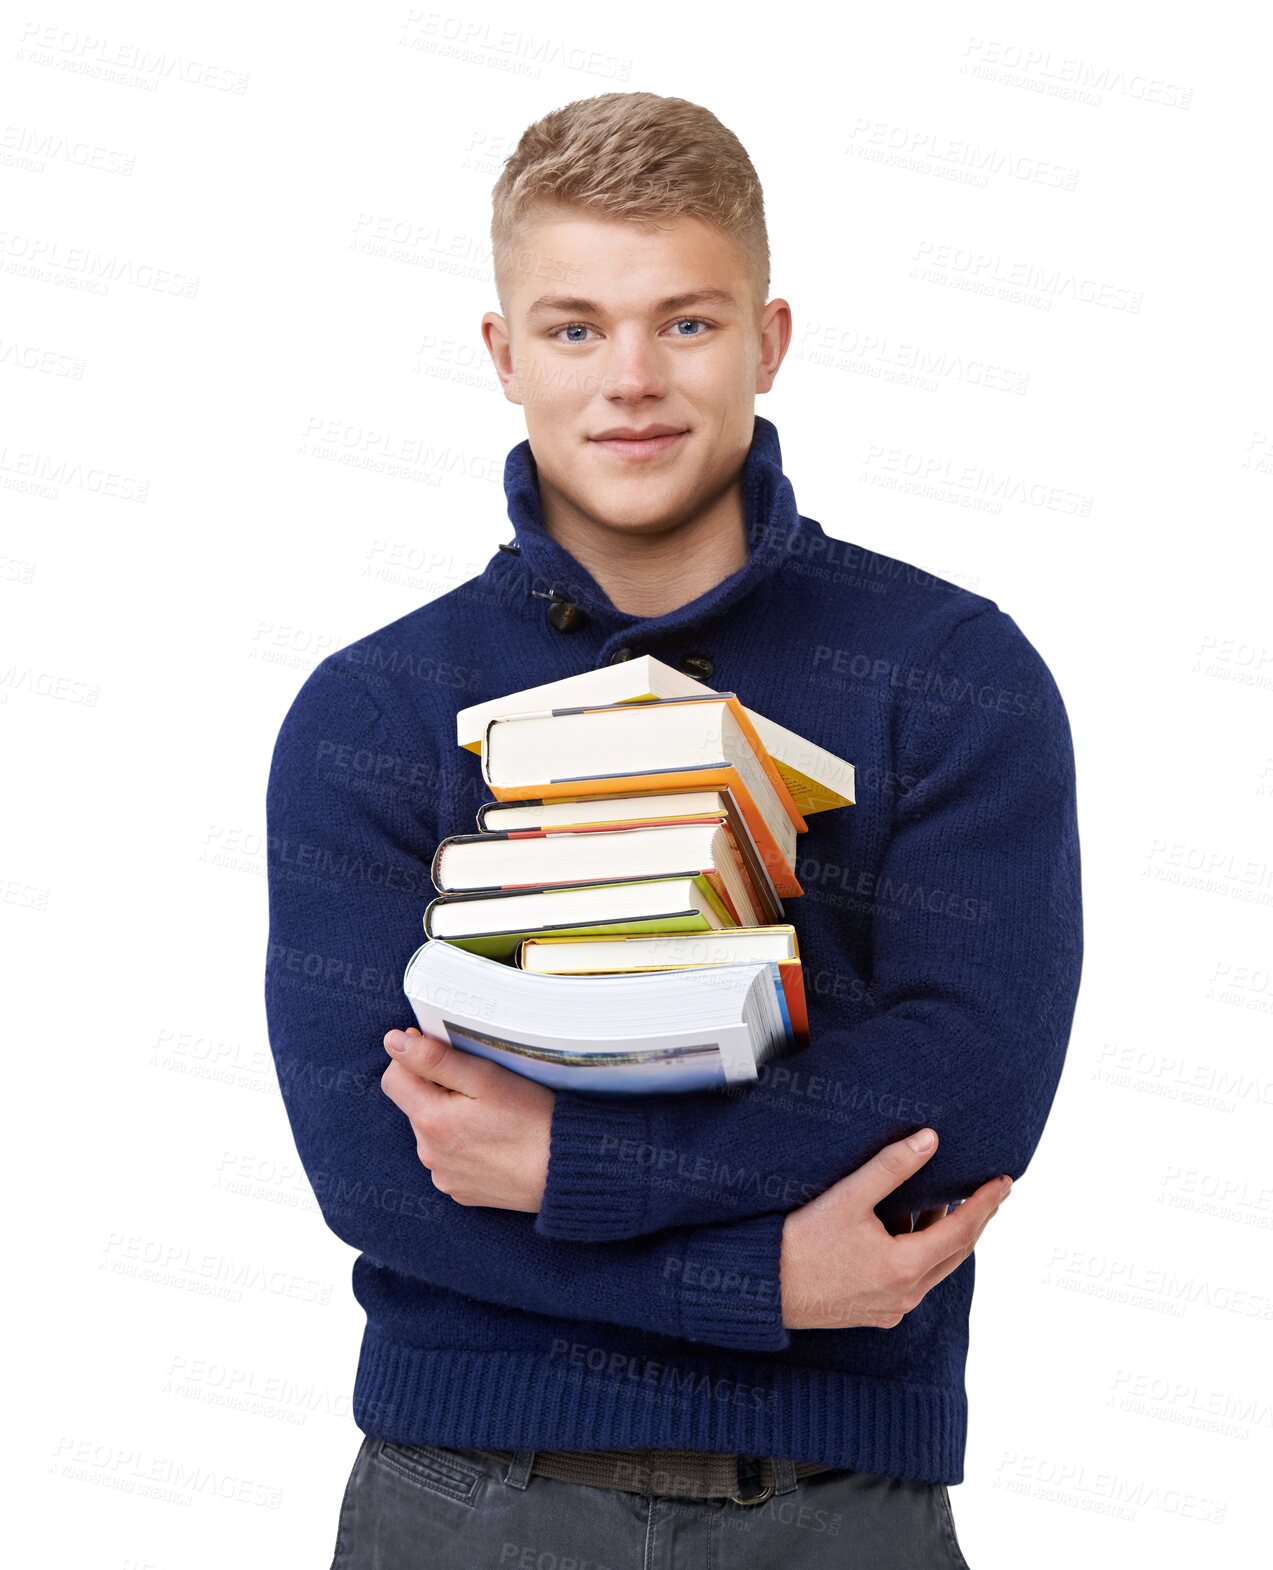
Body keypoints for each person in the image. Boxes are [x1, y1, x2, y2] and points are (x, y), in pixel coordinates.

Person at [264, 91, 1083, 1569]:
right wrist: (760, 1277)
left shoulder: (948, 673)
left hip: (837, 1505)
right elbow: (381, 1172)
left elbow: (962, 1092)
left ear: (767, 340)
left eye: (684, 324)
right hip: (468, 1497)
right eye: (574, 328)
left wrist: (571, 1164)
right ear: (504, 356)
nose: (629, 379)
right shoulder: (373, 709)